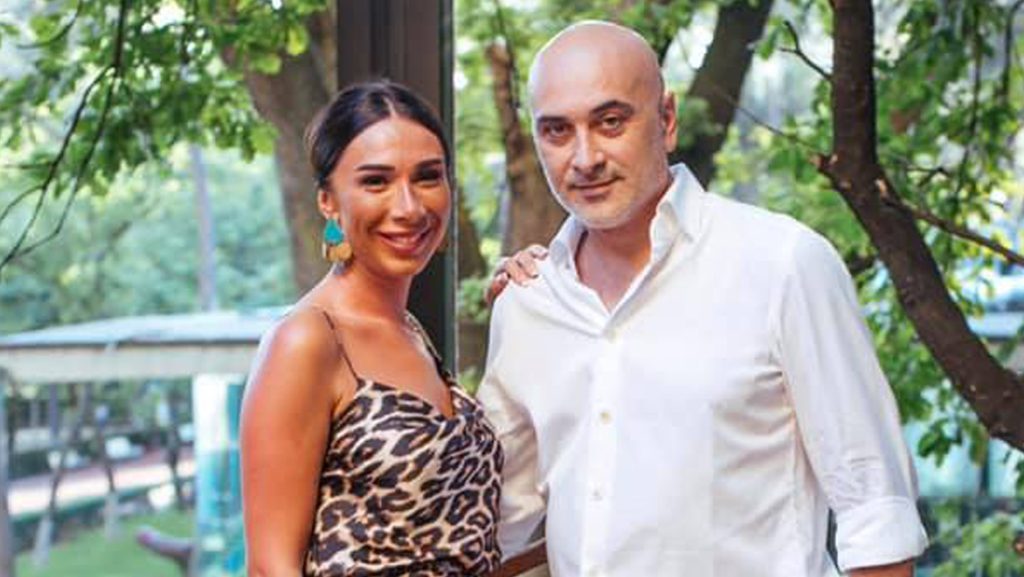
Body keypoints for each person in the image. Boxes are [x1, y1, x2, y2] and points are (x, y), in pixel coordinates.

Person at [478, 21, 929, 577]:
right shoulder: (529, 303)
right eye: (557, 131)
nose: (585, 157)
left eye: (610, 121)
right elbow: (494, 525)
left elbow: (875, 512)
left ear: (666, 120)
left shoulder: (784, 264)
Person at [240, 80, 503, 577]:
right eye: (376, 182)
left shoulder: (409, 330)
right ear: (328, 201)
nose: (409, 207)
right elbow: (270, 568)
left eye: (428, 177)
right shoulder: (307, 340)